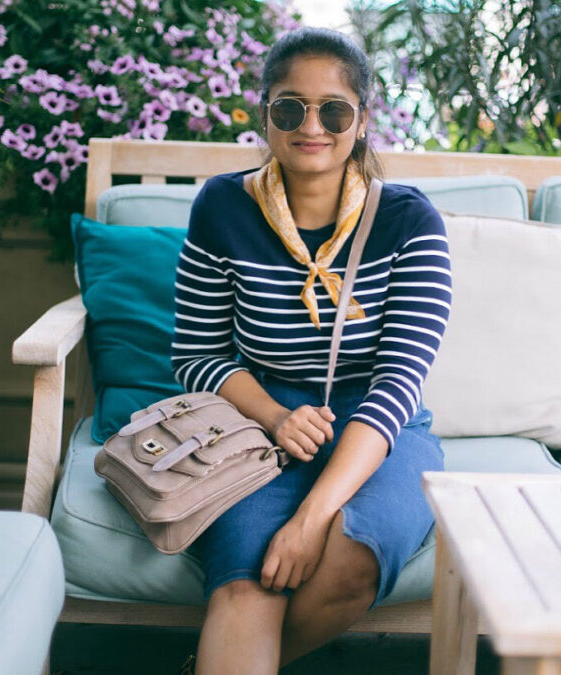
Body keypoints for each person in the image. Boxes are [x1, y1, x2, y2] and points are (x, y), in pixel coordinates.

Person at [171, 26, 452, 674]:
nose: (312, 125)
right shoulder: (222, 207)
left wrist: (311, 518)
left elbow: (398, 381)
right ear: (265, 112)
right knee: (248, 580)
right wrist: (274, 415)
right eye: (291, 107)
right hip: (257, 422)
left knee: (352, 552)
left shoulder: (410, 221)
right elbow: (194, 353)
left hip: (380, 428)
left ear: (361, 120)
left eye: (334, 109)